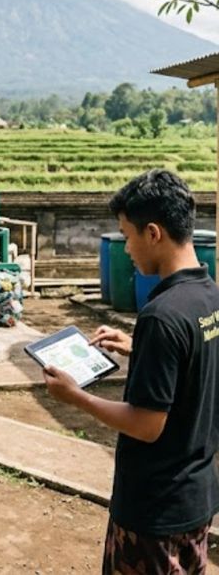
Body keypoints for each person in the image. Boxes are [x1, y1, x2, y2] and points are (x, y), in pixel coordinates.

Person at [43, 169, 219, 574]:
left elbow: (146, 424)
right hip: (197, 500)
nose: (125, 249)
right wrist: (137, 347)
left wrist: (76, 396)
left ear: (153, 233)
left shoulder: (162, 316)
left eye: (127, 235)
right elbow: (194, 362)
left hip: (154, 512)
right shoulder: (208, 297)